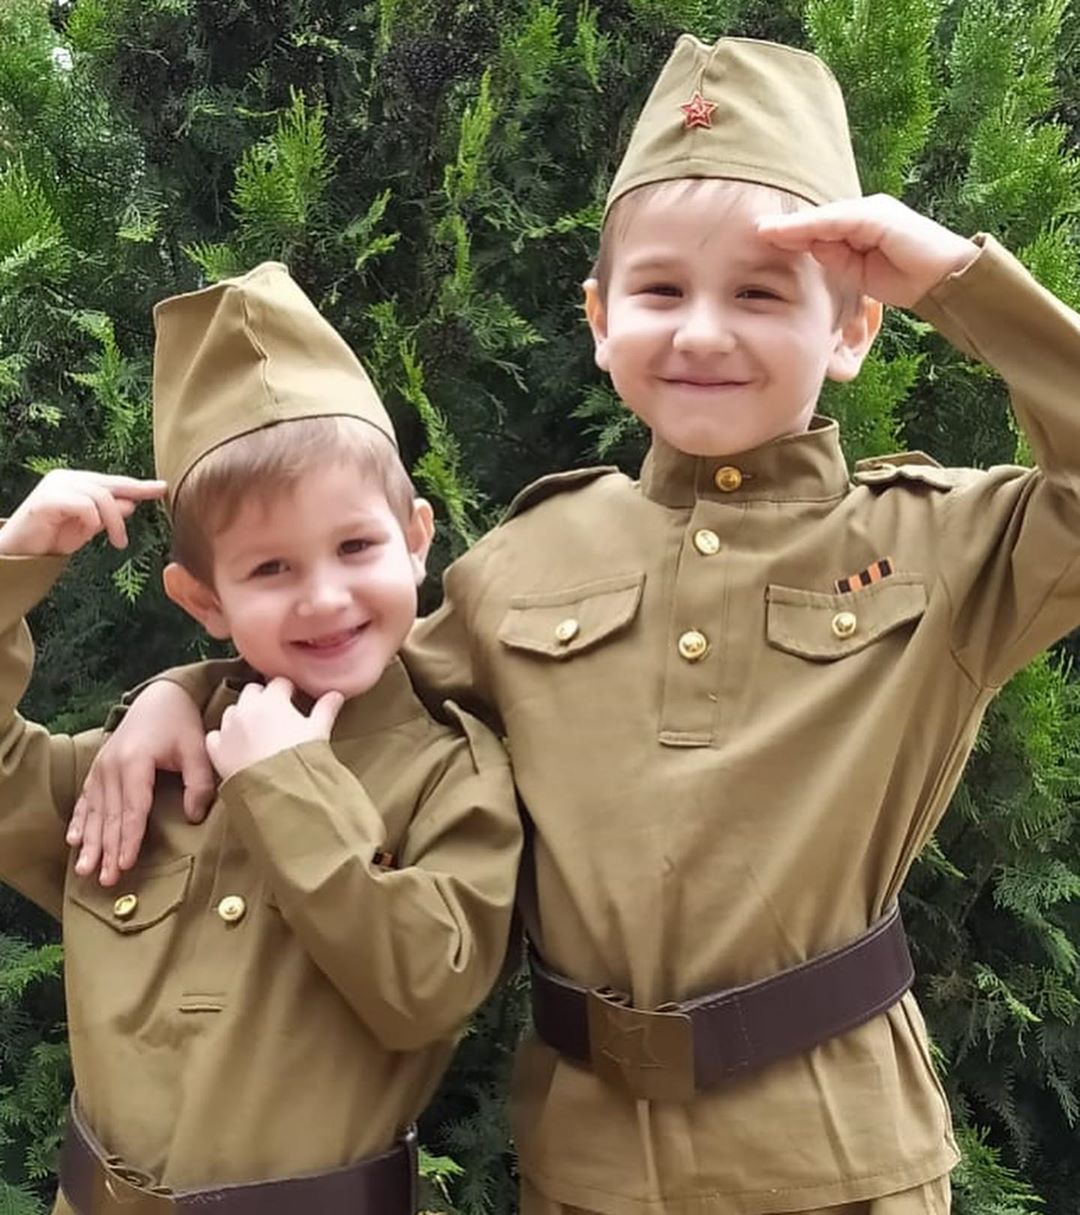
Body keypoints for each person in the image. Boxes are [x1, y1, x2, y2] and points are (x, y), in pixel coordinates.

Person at [74, 35, 1080, 1215]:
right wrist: (176, 697)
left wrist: (958, 280)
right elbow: (350, 677)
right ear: (600, 320)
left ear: (853, 330)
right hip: (588, 1166)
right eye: (660, 291)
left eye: (760, 293)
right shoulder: (523, 565)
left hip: (841, 1159)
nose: (701, 331)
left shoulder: (944, 549)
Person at [0, 262, 521, 1214]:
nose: (323, 596)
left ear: (416, 537)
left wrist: (289, 783)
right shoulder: (148, 764)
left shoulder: (452, 776)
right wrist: (14, 562)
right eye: (270, 568)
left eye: (355, 546)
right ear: (204, 600)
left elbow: (426, 988)